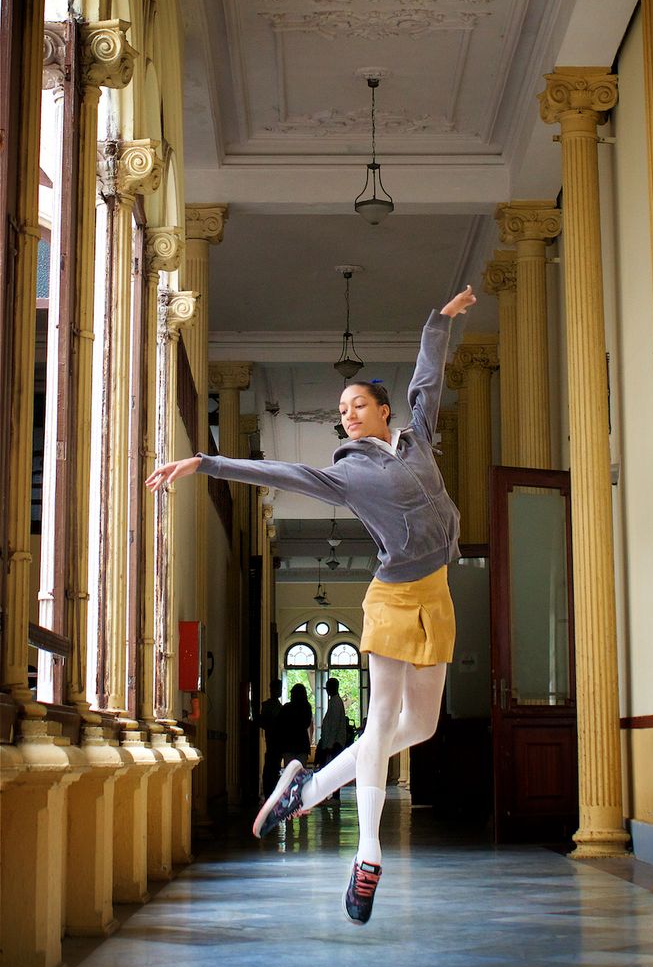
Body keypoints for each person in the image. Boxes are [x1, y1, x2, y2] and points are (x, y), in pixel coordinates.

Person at [146, 284, 476, 925]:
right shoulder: (345, 473)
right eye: (343, 409)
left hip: (436, 593)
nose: (349, 414)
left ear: (385, 411)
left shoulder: (419, 440)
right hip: (391, 593)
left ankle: (309, 787)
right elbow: (278, 476)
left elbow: (427, 384)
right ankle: (369, 854)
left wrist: (438, 322)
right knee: (381, 721)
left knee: (423, 726)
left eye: (359, 405)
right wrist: (203, 461)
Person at [315, 678, 348, 799]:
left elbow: (334, 725)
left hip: (333, 743)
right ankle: (333, 795)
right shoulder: (335, 701)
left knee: (333, 770)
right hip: (333, 742)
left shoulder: (335, 702)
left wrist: (330, 744)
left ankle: (335, 796)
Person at [258, 678, 284, 799]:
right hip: (274, 740)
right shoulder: (271, 706)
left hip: (274, 741)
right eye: (278, 688)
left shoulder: (274, 706)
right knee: (271, 768)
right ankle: (270, 791)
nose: (279, 691)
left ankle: (270, 791)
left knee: (272, 767)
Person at [280, 682, 314, 767]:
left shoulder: (286, 708)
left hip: (289, 744)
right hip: (302, 743)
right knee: (301, 774)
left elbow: (280, 724)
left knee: (289, 773)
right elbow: (307, 724)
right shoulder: (307, 707)